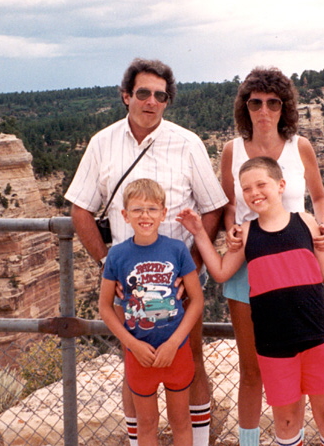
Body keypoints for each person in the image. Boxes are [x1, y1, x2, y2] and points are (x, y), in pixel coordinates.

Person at [64, 58, 227, 446]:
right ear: (126, 96)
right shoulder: (102, 143)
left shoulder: (187, 143)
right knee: (133, 363)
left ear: (167, 101)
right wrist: (108, 266)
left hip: (181, 281)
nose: (151, 102)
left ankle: (198, 442)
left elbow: (213, 208)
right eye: (143, 93)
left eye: (160, 95)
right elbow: (80, 209)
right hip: (128, 282)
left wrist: (195, 270)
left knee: (191, 360)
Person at [177, 156, 324, 446]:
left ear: (281, 185)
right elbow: (220, 272)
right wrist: (199, 234)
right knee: (287, 420)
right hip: (272, 343)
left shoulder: (304, 222)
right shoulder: (246, 233)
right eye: (246, 189)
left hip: (314, 335)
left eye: (261, 184)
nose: (254, 192)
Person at [220, 67, 324, 445]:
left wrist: (320, 227)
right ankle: (249, 443)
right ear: (245, 107)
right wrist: (232, 229)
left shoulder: (300, 147)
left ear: (284, 107)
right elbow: (227, 206)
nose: (264, 110)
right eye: (255, 102)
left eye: (273, 102)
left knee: (296, 357)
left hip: (293, 267)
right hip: (245, 267)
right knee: (252, 369)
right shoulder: (231, 151)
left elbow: (318, 197)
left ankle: (295, 434)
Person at [99, 179, 204, 446]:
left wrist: (174, 342)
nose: (145, 216)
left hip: (176, 351)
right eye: (137, 210)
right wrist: (132, 344)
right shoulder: (117, 255)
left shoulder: (177, 249)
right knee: (147, 424)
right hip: (139, 353)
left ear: (163, 213)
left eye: (152, 209)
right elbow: (105, 306)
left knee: (181, 420)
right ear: (124, 215)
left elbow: (197, 300)